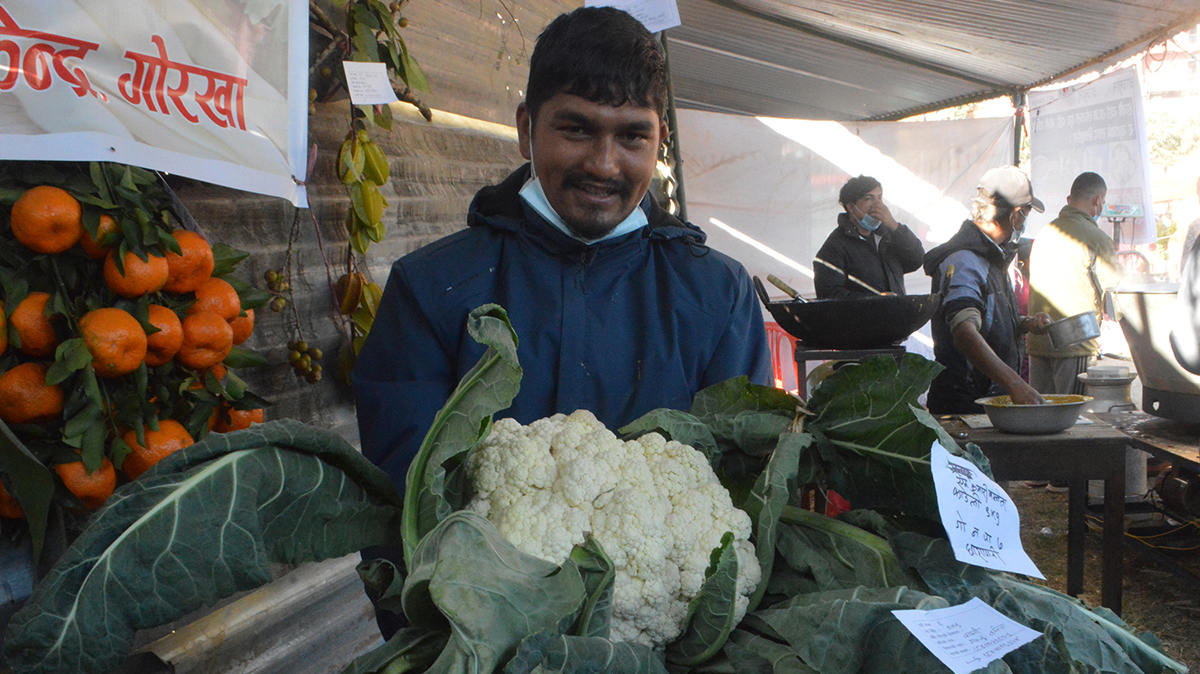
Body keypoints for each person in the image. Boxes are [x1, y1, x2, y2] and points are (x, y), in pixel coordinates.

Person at [352, 7, 772, 494]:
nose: (604, 164)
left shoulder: (719, 296)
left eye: (632, 135)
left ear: (659, 142)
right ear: (525, 129)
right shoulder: (429, 290)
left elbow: (743, 489)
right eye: (576, 129)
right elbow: (402, 508)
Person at [923, 166, 1052, 414]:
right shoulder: (965, 260)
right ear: (1015, 216)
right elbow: (964, 333)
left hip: (988, 402)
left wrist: (1025, 323)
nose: (1024, 222)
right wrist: (1015, 383)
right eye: (1026, 213)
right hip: (964, 406)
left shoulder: (992, 256)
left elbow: (986, 319)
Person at [1026, 172, 1123, 395]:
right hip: (1075, 344)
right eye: (1103, 202)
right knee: (1072, 416)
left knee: (1041, 410)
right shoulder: (1096, 238)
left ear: (1069, 200)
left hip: (1039, 342)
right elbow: (1117, 292)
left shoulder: (1045, 233)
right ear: (1098, 201)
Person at [813, 175, 924, 298]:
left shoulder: (888, 235)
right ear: (851, 207)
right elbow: (828, 294)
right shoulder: (835, 246)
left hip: (895, 315)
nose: (877, 205)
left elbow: (916, 260)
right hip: (863, 316)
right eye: (869, 199)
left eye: (880, 198)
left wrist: (895, 226)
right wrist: (874, 301)